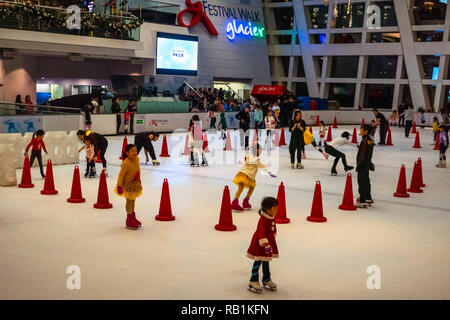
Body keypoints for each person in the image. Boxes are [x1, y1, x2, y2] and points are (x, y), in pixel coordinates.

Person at [246, 197, 279, 293]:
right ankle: (253, 280)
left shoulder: (271, 217)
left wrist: (272, 239)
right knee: (258, 261)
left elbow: (273, 228)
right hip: (261, 244)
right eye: (275, 208)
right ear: (268, 209)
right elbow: (261, 232)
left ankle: (266, 279)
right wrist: (266, 244)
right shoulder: (263, 220)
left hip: (268, 243)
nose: (277, 210)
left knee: (266, 261)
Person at [231, 143, 276, 211]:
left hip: (244, 173)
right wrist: (269, 172)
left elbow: (246, 161)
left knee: (251, 187)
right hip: (246, 174)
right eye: (259, 150)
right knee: (242, 187)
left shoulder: (249, 155)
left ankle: (245, 201)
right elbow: (262, 166)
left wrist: (241, 161)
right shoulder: (256, 159)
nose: (260, 152)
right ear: (256, 150)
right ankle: (236, 202)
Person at [115, 144, 143, 229]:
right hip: (128, 185)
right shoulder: (125, 163)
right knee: (129, 201)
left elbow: (138, 169)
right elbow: (121, 175)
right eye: (132, 151)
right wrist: (119, 186)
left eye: (135, 150)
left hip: (135, 184)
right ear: (127, 153)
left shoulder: (137, 159)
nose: (135, 152)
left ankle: (133, 216)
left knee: (133, 200)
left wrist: (139, 179)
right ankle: (129, 218)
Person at [356, 124, 375, 208]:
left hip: (363, 164)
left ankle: (362, 200)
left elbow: (362, 154)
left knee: (362, 181)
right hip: (367, 164)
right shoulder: (370, 140)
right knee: (366, 180)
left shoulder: (364, 140)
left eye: (361, 130)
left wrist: (359, 164)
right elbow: (369, 153)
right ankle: (368, 197)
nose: (360, 131)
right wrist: (369, 163)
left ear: (366, 131)